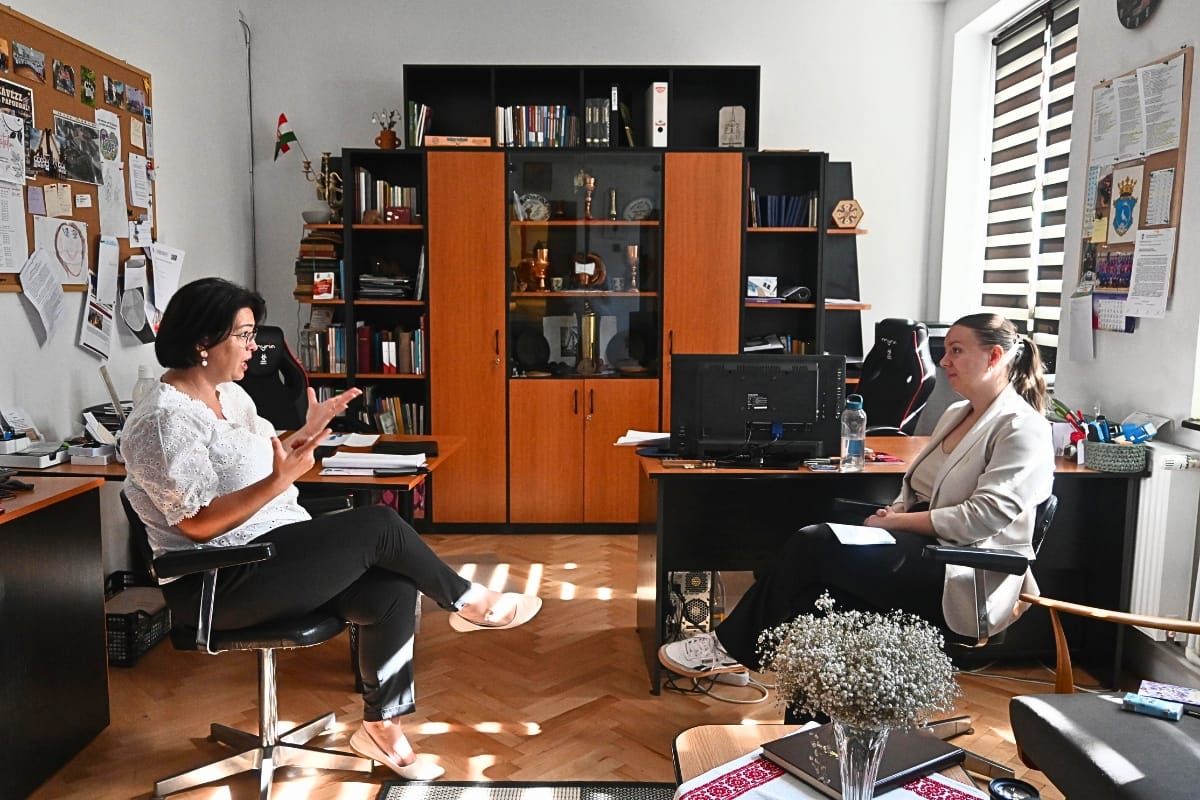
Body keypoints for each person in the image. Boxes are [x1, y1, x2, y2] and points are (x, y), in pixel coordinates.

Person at [121, 277, 541, 781]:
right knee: (380, 524)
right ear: (202, 342)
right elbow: (198, 524)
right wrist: (278, 483)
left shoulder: (230, 396)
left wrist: (305, 433)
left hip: (276, 553)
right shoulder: (162, 421)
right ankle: (467, 601)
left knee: (392, 587)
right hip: (220, 579)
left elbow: (257, 463)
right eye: (244, 335)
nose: (255, 348)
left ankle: (381, 726)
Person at [659, 313, 1054, 685]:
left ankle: (728, 647)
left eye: (956, 350)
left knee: (816, 542)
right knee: (814, 598)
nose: (943, 360)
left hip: (959, 569)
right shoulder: (956, 413)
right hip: (918, 544)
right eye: (946, 349)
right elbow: (919, 488)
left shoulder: (1022, 428)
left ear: (994, 356)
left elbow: (979, 519)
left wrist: (896, 522)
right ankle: (807, 723)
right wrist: (896, 509)